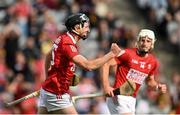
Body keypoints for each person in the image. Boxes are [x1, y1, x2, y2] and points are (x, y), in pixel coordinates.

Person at [37, 13, 120, 114]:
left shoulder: (62, 38)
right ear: (77, 27)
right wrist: (112, 54)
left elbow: (48, 56)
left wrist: (48, 78)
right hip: (57, 94)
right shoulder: (67, 43)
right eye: (86, 27)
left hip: (47, 91)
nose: (88, 30)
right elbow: (88, 66)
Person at [100, 29, 167, 114]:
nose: (145, 44)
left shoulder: (153, 61)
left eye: (148, 41)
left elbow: (149, 82)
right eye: (142, 40)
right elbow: (106, 64)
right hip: (118, 97)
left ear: (151, 44)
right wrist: (106, 86)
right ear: (138, 41)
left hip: (132, 100)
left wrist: (157, 87)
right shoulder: (127, 53)